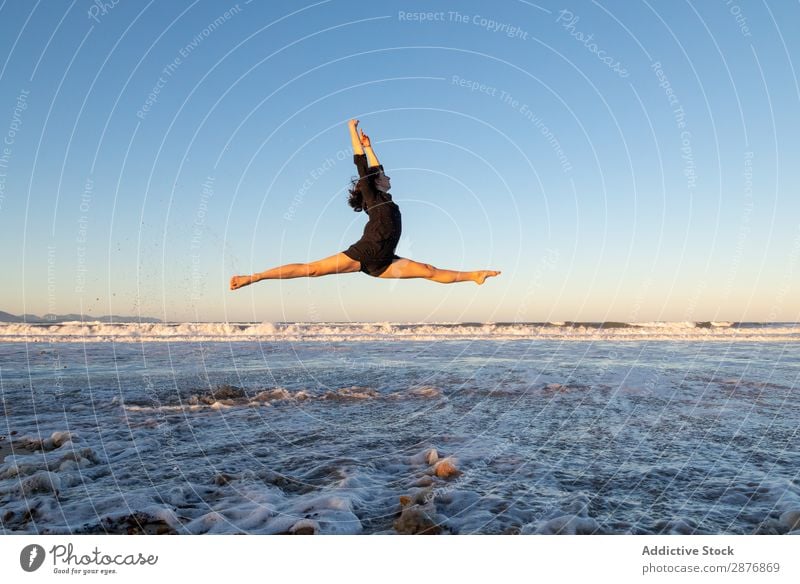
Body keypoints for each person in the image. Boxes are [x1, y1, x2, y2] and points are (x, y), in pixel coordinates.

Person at [229, 119, 500, 290]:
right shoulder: (372, 195)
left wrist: (371, 147)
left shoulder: (384, 198)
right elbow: (363, 167)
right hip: (367, 252)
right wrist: (353, 131)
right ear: (375, 182)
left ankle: (474, 275)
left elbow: (377, 167)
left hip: (383, 261)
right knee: (311, 270)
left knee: (429, 271)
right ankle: (253, 277)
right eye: (385, 176)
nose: (389, 176)